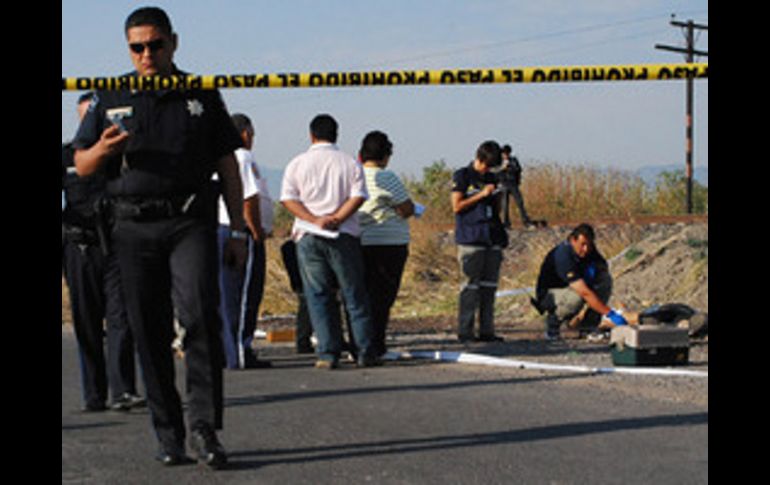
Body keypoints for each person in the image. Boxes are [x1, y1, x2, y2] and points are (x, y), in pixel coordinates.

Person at [72, 6, 245, 468]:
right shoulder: (109, 95)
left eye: (156, 44)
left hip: (189, 220)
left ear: (174, 42)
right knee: (147, 330)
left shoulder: (201, 93)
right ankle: (168, 433)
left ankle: (204, 429)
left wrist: (240, 231)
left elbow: (227, 163)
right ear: (128, 49)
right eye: (137, 47)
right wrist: (103, 149)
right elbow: (80, 164)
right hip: (130, 227)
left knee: (199, 317)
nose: (147, 54)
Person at [62, 92, 145, 413]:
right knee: (86, 321)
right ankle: (94, 394)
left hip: (117, 244)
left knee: (121, 317)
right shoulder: (68, 156)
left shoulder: (121, 156)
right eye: (87, 117)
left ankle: (123, 390)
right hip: (79, 245)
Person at [280, 114, 379, 369]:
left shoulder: (297, 163)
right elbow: (358, 196)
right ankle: (364, 350)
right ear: (337, 134)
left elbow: (288, 199)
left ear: (311, 135)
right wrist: (337, 217)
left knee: (318, 295)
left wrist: (314, 219)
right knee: (354, 294)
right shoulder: (349, 163)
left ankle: (327, 353)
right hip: (344, 235)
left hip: (309, 235)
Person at [216, 113, 272, 370]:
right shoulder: (243, 157)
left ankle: (228, 349)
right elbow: (249, 199)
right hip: (240, 232)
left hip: (220, 230)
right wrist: (256, 232)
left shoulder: (219, 156)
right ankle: (239, 350)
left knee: (226, 294)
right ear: (245, 133)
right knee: (243, 294)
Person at [357, 131, 415, 357]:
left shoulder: (355, 175)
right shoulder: (386, 176)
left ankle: (362, 344)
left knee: (363, 296)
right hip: (390, 244)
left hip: (361, 241)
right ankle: (376, 346)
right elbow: (407, 208)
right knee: (383, 298)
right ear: (385, 155)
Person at [451, 140, 508, 343]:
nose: (488, 171)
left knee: (489, 286)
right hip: (471, 238)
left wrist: (497, 196)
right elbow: (457, 206)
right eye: (486, 165)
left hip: (491, 236)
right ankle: (465, 332)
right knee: (470, 287)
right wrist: (480, 195)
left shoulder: (493, 177)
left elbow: (498, 208)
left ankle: (487, 331)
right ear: (479, 159)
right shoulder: (462, 176)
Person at [532, 223, 628, 340]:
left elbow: (602, 266)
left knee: (604, 281)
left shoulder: (588, 250)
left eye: (589, 245)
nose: (586, 249)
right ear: (573, 240)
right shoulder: (563, 255)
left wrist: (596, 273)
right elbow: (583, 292)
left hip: (571, 289)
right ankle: (553, 326)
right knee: (577, 296)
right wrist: (610, 314)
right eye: (582, 245)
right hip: (549, 295)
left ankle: (588, 328)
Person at [499, 144, 534, 228]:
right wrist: (502, 169)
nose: (505, 155)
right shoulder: (498, 162)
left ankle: (525, 221)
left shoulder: (513, 160)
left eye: (507, 153)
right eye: (504, 153)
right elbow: (495, 172)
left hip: (513, 184)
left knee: (520, 202)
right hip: (503, 184)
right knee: (505, 205)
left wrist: (510, 169)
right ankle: (506, 223)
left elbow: (518, 170)